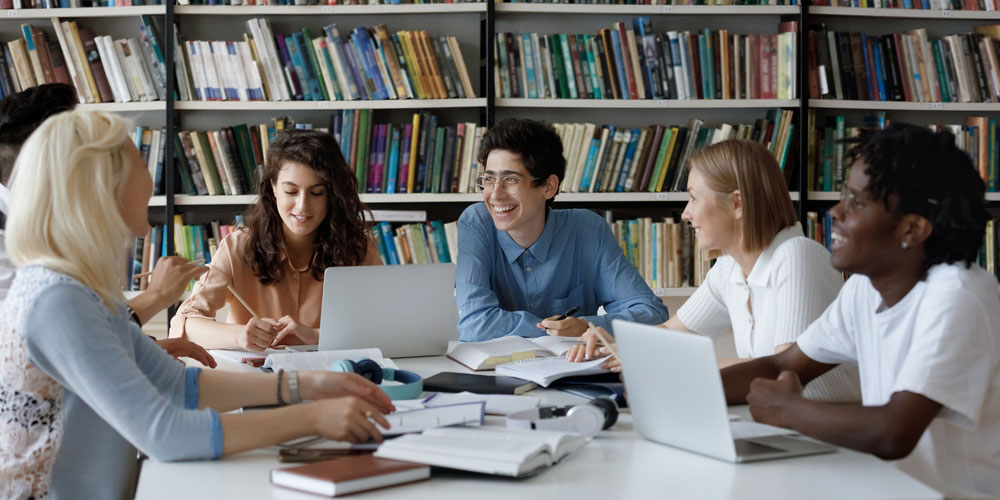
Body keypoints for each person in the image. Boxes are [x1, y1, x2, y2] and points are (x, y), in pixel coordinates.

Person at [0, 110, 396, 500]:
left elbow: (177, 385)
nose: (151, 176)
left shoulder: (80, 289)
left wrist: (309, 383)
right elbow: (164, 432)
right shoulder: (58, 300)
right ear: (104, 188)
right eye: (139, 162)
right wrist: (312, 416)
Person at [721, 124, 1000, 498]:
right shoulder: (865, 288)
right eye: (842, 196)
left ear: (911, 229)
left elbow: (893, 431)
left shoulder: (959, 296)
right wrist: (683, 388)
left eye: (857, 202)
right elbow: (783, 366)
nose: (836, 212)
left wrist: (788, 410)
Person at [569, 139, 860, 402]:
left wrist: (660, 357)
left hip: (835, 435)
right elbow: (672, 332)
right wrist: (615, 343)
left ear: (736, 203)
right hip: (783, 425)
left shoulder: (797, 255)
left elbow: (782, 373)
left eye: (694, 197)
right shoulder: (728, 268)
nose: (685, 213)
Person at [0, 83, 213, 365]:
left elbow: (85, 334)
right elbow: (46, 355)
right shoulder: (21, 255)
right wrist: (155, 297)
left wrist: (140, 350)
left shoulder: (63, 230)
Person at [456, 118, 669, 342]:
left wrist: (585, 326)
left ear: (549, 187)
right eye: (489, 179)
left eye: (510, 179)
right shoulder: (477, 222)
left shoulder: (587, 229)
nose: (495, 194)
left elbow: (652, 314)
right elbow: (474, 325)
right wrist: (554, 329)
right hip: (495, 372)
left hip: (573, 369)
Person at [169, 129, 381, 351]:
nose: (302, 206)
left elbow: (383, 325)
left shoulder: (358, 248)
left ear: (332, 194)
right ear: (273, 189)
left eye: (317, 193)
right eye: (291, 191)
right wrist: (240, 336)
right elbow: (184, 324)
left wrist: (316, 336)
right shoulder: (237, 247)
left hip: (331, 378)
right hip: (255, 380)